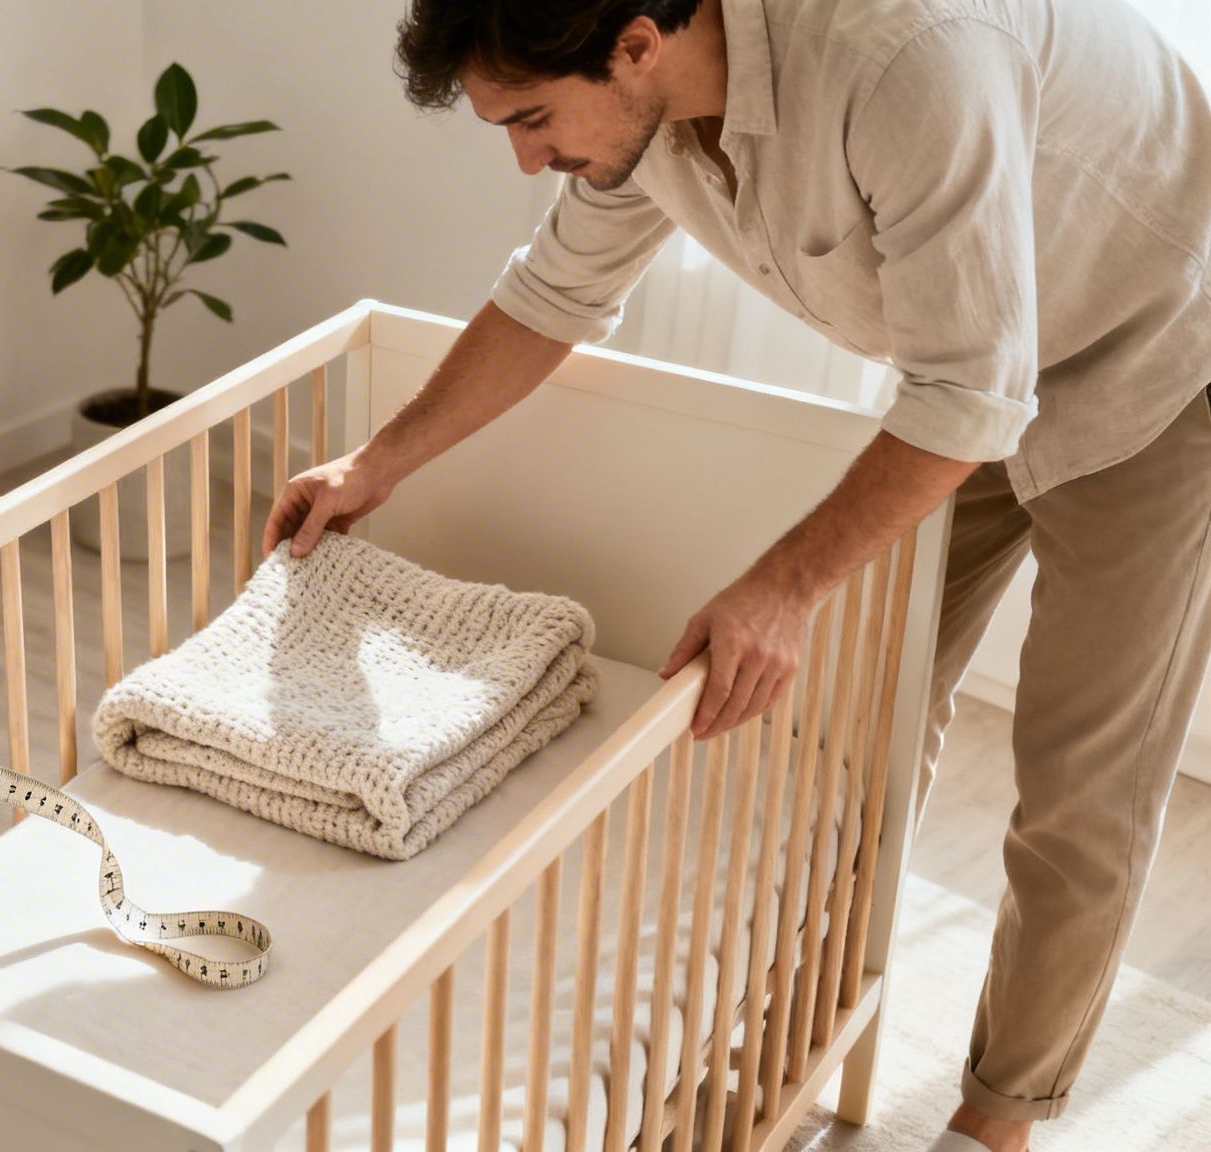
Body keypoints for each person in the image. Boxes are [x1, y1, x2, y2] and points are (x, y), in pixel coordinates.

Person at [261, 2, 1211, 1149]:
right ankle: (793, 1011)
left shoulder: (907, 60)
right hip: (974, 361)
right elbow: (549, 296)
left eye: (528, 118)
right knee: (851, 713)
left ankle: (995, 1121)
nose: (524, 156)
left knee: (1081, 782)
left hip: (1162, 361)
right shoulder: (638, 115)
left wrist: (778, 587)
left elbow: (969, 400)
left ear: (634, 42)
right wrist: (376, 464)